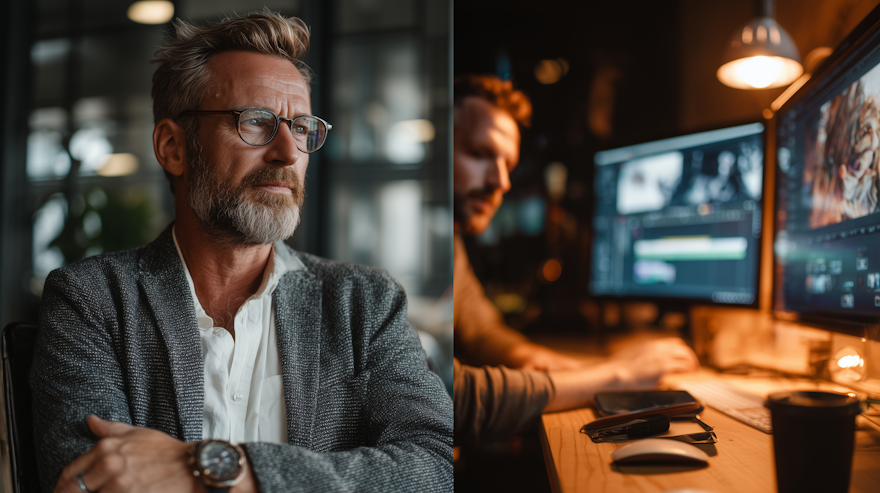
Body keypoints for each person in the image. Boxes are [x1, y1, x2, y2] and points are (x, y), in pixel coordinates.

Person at [30, 12, 452, 493]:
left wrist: (227, 469)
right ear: (173, 147)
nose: (288, 153)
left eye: (301, 127)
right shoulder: (92, 301)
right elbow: (93, 482)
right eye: (255, 122)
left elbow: (433, 466)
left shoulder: (365, 302)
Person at [452, 75, 699, 445]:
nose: (502, 182)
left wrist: (547, 361)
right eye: (480, 154)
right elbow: (452, 399)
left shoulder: (446, 242)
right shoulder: (395, 252)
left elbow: (482, 331)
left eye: (508, 164)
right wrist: (615, 376)